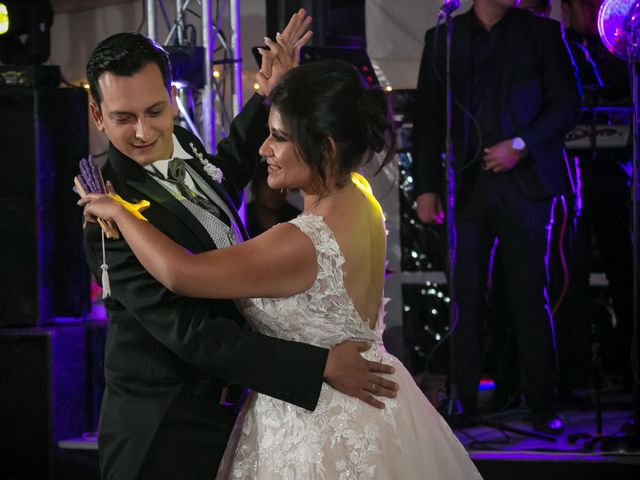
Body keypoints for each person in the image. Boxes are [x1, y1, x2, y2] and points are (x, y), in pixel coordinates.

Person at [80, 60, 483, 479]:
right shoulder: (362, 198)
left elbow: (182, 273)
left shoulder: (299, 241)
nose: (263, 150)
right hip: (367, 413)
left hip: (312, 429)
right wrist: (264, 96)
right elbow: (226, 175)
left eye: (278, 137)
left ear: (325, 148)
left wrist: (123, 214)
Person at [412, 0, 581, 434]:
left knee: (530, 295)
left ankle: (542, 401)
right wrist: (427, 186)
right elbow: (428, 118)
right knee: (465, 298)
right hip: (466, 187)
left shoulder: (541, 33)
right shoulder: (444, 37)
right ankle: (463, 400)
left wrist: (520, 145)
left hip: (526, 184)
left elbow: (567, 104)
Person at [559, 0, 634, 391]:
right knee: (571, 273)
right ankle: (574, 370)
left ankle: (627, 364)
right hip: (570, 177)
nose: (588, 12)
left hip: (612, 177)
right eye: (581, 5)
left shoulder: (620, 48)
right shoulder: (557, 45)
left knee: (624, 270)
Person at [245, 161, 300, 238]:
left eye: (281, 187)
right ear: (255, 187)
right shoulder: (243, 220)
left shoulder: (297, 220)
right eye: (269, 185)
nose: (276, 192)